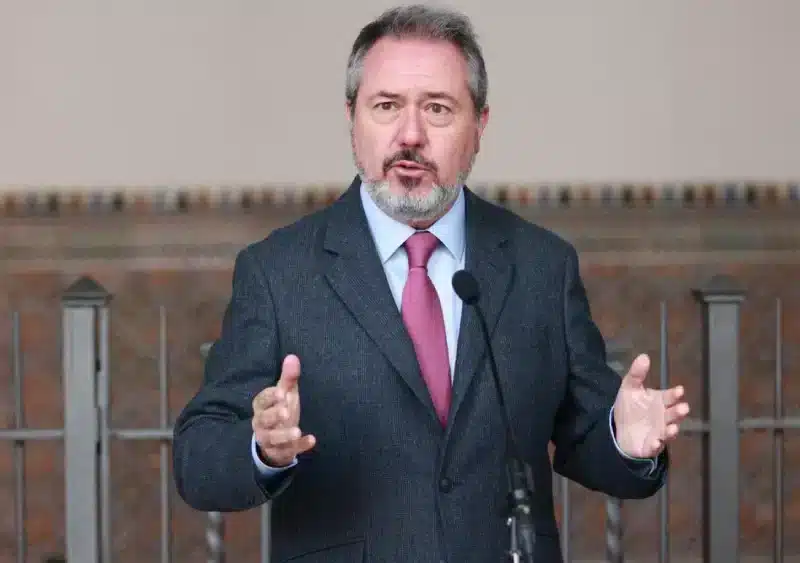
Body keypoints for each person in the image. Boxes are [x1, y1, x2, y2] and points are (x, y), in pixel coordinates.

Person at [173, 5, 690, 562]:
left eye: (438, 109)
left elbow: (585, 437)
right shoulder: (279, 271)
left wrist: (626, 441)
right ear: (353, 119)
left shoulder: (541, 265)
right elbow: (198, 460)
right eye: (386, 106)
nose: (410, 135)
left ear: (480, 125)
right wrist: (261, 448)